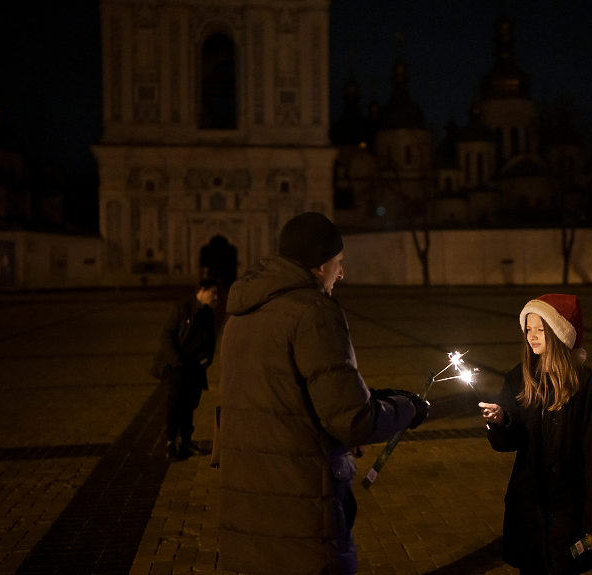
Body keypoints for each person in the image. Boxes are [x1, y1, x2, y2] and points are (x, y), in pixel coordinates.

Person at [217, 212, 429, 575]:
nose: (342, 274)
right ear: (319, 264)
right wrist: (407, 409)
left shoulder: (241, 314)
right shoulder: (314, 311)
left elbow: (284, 401)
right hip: (301, 506)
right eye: (339, 263)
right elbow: (354, 421)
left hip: (246, 502)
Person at [479, 294, 592, 575]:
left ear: (558, 332)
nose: (532, 336)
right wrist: (501, 421)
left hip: (569, 509)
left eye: (540, 329)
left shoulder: (587, 385)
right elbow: (509, 443)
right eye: (528, 328)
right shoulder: (519, 377)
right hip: (529, 509)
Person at [156, 278, 219, 461]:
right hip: (180, 365)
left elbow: (211, 338)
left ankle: (186, 441)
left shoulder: (207, 313)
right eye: (213, 293)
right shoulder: (182, 307)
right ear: (202, 290)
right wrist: (176, 361)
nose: (216, 297)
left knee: (191, 403)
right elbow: (166, 334)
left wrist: (208, 359)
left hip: (197, 366)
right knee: (176, 404)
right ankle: (171, 443)